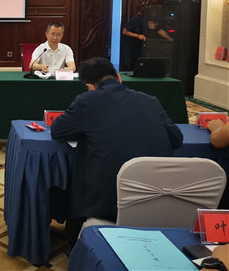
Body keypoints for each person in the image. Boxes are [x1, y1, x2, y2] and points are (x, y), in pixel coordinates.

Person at [50, 57, 183, 246]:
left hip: (105, 202)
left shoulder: (87, 101)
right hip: (156, 198)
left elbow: (57, 131)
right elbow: (177, 138)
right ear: (119, 77)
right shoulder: (150, 101)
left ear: (90, 86)